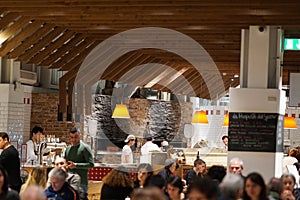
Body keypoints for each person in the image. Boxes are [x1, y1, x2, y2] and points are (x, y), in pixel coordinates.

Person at [65, 127, 94, 199]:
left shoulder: (85, 148)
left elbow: (91, 164)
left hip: (82, 183)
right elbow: (66, 163)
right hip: (69, 182)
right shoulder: (68, 149)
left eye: (76, 137)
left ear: (80, 136)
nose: (73, 140)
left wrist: (76, 165)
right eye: (71, 137)